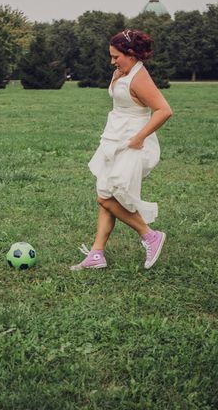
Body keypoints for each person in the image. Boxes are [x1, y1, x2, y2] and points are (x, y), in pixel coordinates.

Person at [71, 29, 173, 271]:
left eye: (116, 56)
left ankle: (150, 235)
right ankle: (97, 253)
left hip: (132, 142)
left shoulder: (139, 77)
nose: (112, 61)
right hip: (115, 138)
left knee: (107, 196)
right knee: (107, 194)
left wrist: (139, 138)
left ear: (131, 54)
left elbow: (164, 110)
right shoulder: (121, 71)